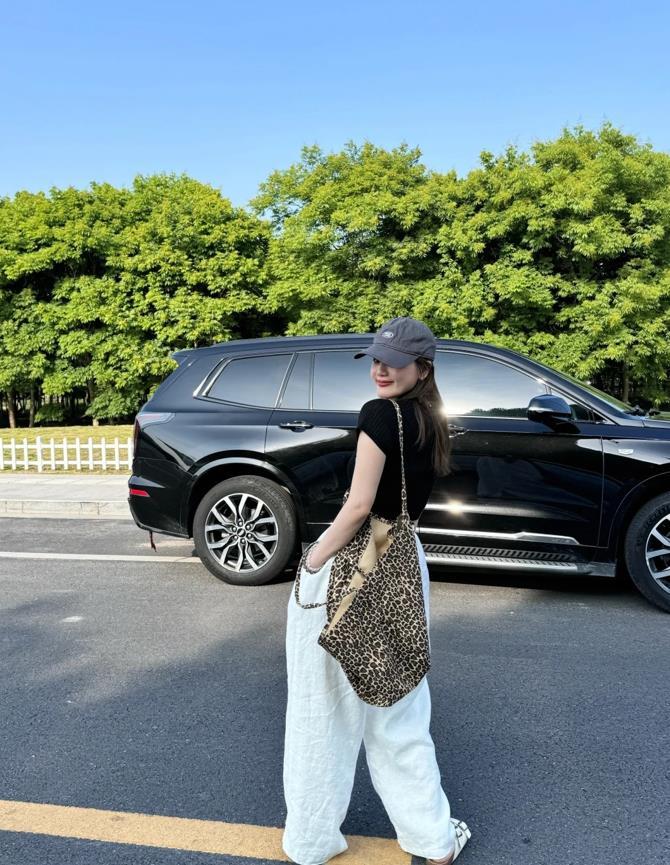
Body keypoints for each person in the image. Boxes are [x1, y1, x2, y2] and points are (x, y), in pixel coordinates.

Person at [282, 316, 472, 865]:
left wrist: (312, 559)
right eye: (376, 359)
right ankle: (434, 839)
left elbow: (359, 506)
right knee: (401, 711)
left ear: (423, 368)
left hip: (357, 567)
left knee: (324, 709)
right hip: (405, 566)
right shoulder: (431, 418)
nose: (381, 370)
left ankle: (312, 840)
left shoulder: (379, 414)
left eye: (395, 362)